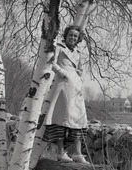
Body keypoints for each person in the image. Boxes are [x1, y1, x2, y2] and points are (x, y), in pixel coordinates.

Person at [43, 25, 89, 164]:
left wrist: (79, 78)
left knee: (79, 119)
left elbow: (81, 68)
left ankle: (78, 153)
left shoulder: (79, 52)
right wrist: (63, 73)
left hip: (76, 88)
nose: (73, 38)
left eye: (75, 36)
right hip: (62, 86)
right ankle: (60, 152)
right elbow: (51, 62)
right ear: (66, 35)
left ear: (78, 38)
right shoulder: (58, 47)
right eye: (70, 35)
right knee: (62, 119)